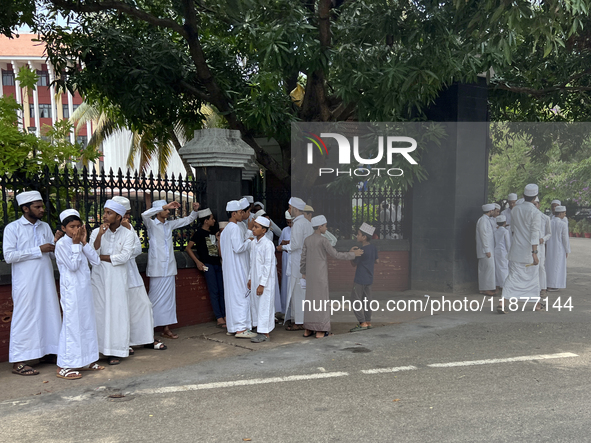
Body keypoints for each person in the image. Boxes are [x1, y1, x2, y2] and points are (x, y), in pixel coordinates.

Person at [3, 191, 61, 376]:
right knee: (25, 317)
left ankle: (47, 352)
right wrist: (38, 249)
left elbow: (51, 254)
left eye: (42, 206)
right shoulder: (13, 228)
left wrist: (56, 244)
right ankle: (18, 361)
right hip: (26, 283)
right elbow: (9, 256)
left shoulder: (44, 227)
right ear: (25, 208)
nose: (42, 210)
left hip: (45, 280)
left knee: (48, 313)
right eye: (37, 207)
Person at [111, 196, 166, 352]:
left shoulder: (129, 228)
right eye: (125, 214)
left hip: (132, 274)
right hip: (115, 276)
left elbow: (136, 250)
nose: (128, 218)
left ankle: (147, 338)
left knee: (144, 305)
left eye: (128, 214)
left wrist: (127, 234)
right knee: (121, 309)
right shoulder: (104, 231)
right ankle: (123, 342)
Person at [54, 209, 104, 379]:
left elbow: (96, 261)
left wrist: (84, 242)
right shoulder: (61, 245)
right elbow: (73, 266)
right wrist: (76, 245)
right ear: (64, 228)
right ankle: (64, 365)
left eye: (78, 226)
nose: (75, 230)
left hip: (84, 289)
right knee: (72, 327)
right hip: (71, 292)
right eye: (71, 227)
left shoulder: (80, 242)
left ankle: (87, 359)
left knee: (87, 323)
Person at [142, 199, 200, 339]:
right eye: (166, 209)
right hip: (157, 268)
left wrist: (195, 210)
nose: (168, 211)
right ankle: (147, 329)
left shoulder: (169, 224)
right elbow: (144, 215)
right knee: (154, 299)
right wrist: (163, 206)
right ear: (158, 210)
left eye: (168, 209)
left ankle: (166, 329)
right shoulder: (151, 224)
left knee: (169, 300)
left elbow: (188, 220)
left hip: (169, 268)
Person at [90, 199, 136, 365]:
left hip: (117, 277)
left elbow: (124, 257)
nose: (105, 216)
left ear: (118, 216)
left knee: (117, 312)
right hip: (99, 278)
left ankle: (116, 351)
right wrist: (101, 236)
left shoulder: (128, 234)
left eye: (109, 213)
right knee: (100, 312)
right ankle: (100, 350)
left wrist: (101, 258)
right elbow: (91, 253)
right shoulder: (96, 232)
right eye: (104, 212)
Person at [301, 215, 363, 338]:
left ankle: (308, 329)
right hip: (320, 276)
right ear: (320, 227)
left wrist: (303, 272)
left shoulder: (307, 240)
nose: (326, 228)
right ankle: (320, 331)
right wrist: (352, 254)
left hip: (310, 276)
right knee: (321, 302)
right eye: (325, 226)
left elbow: (303, 259)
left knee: (310, 301)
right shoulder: (323, 240)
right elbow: (336, 255)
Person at [499, 184, 542, 313]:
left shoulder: (515, 210)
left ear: (523, 196)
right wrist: (534, 253)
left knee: (512, 277)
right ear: (535, 198)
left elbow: (513, 229)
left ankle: (502, 302)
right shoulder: (535, 212)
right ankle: (537, 304)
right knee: (533, 278)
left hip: (516, 250)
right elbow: (534, 234)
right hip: (528, 252)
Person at [220, 200, 256, 339]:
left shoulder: (226, 230)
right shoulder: (234, 228)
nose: (242, 214)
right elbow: (239, 247)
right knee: (242, 295)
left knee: (232, 297)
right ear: (234, 214)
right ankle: (241, 328)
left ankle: (233, 326)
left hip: (230, 268)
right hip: (238, 267)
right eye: (240, 212)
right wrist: (250, 241)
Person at [186, 208, 226, 328]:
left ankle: (224, 315)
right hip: (207, 265)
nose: (214, 221)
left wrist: (218, 240)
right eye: (212, 219)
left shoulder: (213, 233)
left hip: (217, 263)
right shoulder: (199, 233)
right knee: (214, 291)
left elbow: (219, 252)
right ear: (205, 221)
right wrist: (198, 262)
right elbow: (188, 248)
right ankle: (219, 317)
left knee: (221, 291)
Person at [278, 197, 313, 331]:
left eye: (290, 207)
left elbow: (296, 244)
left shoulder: (299, 224)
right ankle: (299, 319)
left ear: (296, 209)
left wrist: (283, 248)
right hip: (302, 263)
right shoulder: (305, 223)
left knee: (298, 293)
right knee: (299, 293)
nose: (288, 210)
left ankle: (299, 322)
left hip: (299, 264)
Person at [248, 216, 277, 343]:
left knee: (265, 305)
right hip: (255, 279)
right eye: (253, 226)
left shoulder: (268, 244)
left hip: (265, 282)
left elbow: (268, 265)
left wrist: (262, 284)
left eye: (256, 227)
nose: (253, 229)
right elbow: (251, 263)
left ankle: (265, 333)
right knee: (256, 305)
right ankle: (260, 329)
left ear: (264, 230)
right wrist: (250, 278)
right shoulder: (253, 243)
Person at [349, 223, 379, 332]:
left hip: (360, 278)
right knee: (367, 300)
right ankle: (368, 321)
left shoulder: (360, 250)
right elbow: (377, 261)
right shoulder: (373, 248)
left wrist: (351, 253)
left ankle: (362, 323)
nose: (357, 236)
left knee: (354, 299)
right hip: (369, 278)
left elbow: (353, 264)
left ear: (364, 237)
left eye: (358, 234)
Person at [546, 206, 570, 291]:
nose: (565, 214)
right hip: (559, 248)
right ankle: (554, 285)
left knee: (549, 265)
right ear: (560, 214)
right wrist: (567, 250)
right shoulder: (562, 224)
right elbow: (565, 239)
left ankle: (548, 283)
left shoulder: (549, 222)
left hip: (549, 248)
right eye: (564, 213)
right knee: (557, 266)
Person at [476, 203, 496, 297]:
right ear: (490, 211)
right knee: (488, 269)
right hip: (485, 250)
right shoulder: (483, 221)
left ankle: (484, 288)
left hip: (487, 249)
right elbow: (483, 235)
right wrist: (487, 249)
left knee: (486, 269)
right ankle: (486, 289)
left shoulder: (487, 220)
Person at [534, 198, 552, 296]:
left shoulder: (545, 218)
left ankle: (543, 288)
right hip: (530, 246)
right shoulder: (529, 217)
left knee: (541, 266)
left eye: (536, 204)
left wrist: (543, 239)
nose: (534, 206)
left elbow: (549, 233)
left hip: (540, 246)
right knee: (532, 267)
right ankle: (532, 288)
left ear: (539, 205)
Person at [277, 210, 293, 316]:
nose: (290, 225)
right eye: (288, 222)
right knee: (286, 284)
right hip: (286, 259)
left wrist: (287, 243)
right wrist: (284, 243)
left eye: (291, 222)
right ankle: (285, 309)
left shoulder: (299, 230)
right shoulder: (285, 230)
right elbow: (279, 245)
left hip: (294, 260)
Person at [493, 215, 511, 290]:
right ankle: (505, 286)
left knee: (498, 268)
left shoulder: (495, 231)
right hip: (503, 252)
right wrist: (509, 252)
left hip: (496, 251)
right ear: (505, 222)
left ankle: (499, 284)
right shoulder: (505, 231)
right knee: (504, 268)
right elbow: (507, 243)